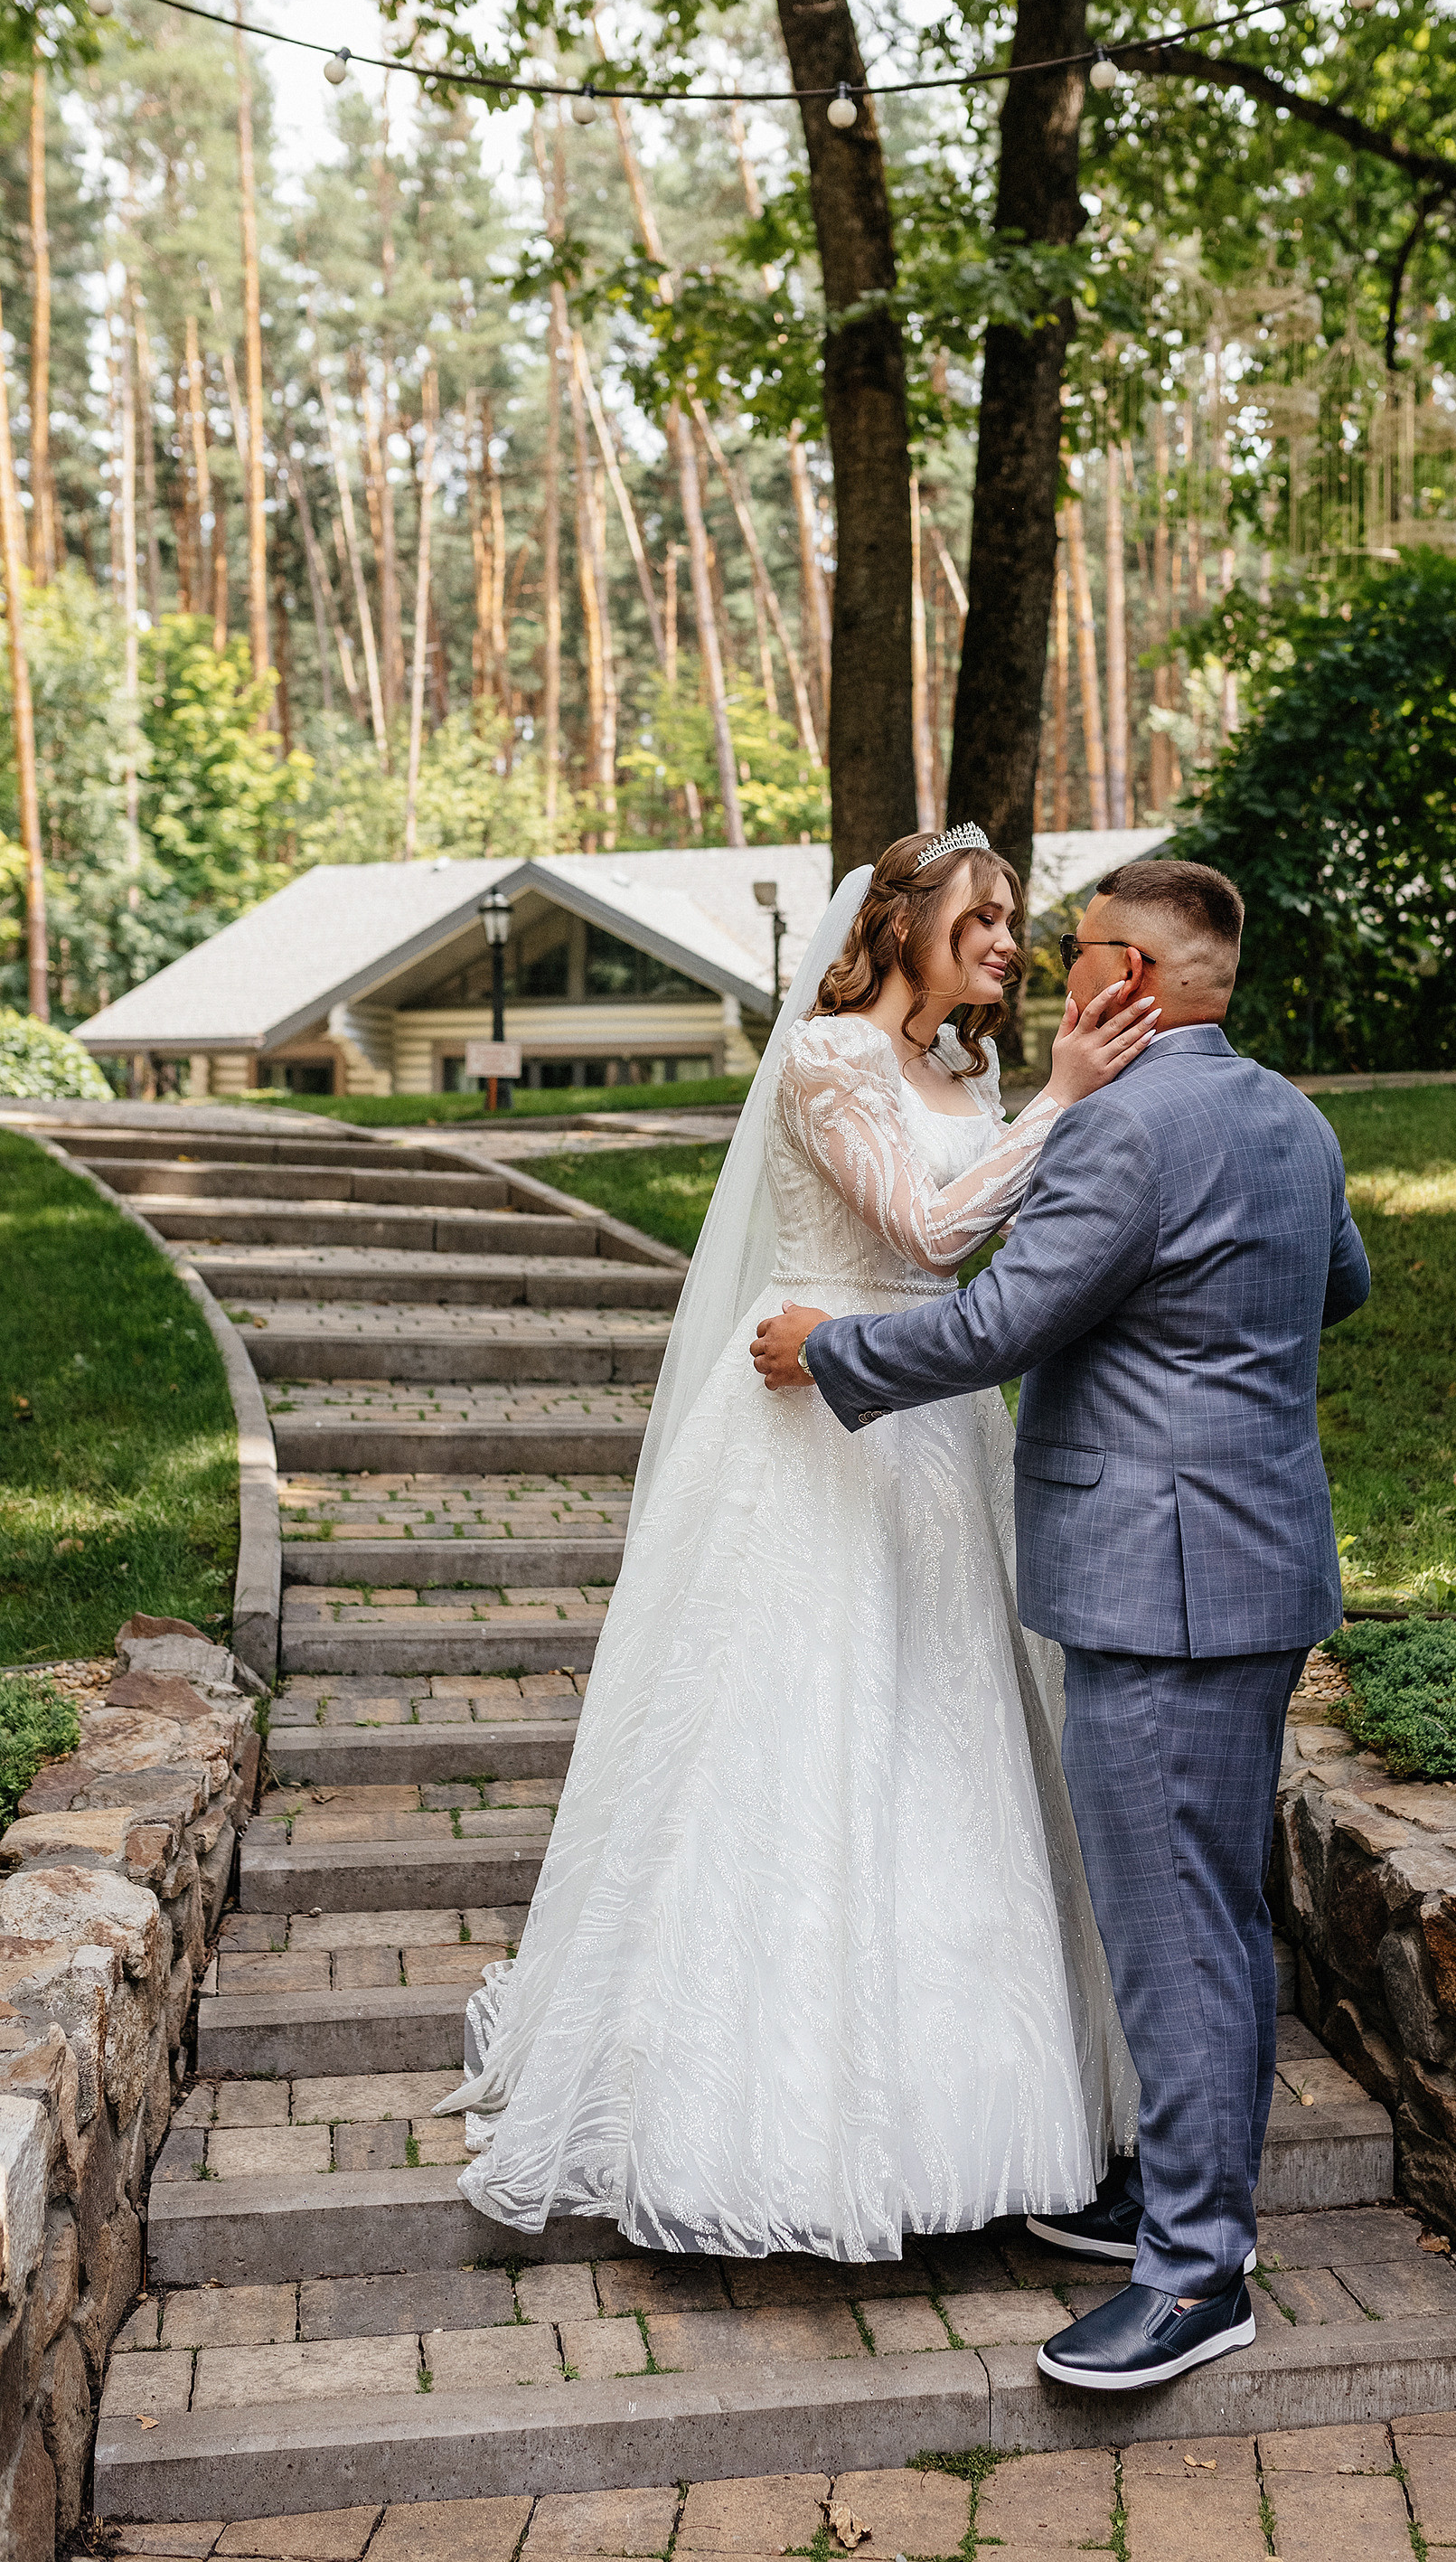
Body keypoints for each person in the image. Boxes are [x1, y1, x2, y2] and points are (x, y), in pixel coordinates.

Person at [437, 824, 1153, 2260]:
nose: (1011, 939)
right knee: (793, 1749)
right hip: (808, 1435)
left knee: (949, 1746)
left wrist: (1046, 1103)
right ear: (901, 923)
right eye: (984, 914)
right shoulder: (831, 1059)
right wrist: (1069, 1099)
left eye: (1019, 916)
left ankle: (985, 2115)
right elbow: (935, 1229)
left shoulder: (965, 1070)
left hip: (936, 1438)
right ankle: (745, 2117)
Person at [754, 856, 1371, 2390]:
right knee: (1214, 1908)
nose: (1049, 964)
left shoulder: (1122, 1125)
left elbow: (998, 1324)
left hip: (1155, 1582)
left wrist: (836, 1346)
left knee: (1173, 1927)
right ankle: (1178, 2197)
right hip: (1260, 1558)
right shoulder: (1291, 1118)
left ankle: (1194, 2279)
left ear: (1136, 981)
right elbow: (1333, 1286)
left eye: (1079, 948)